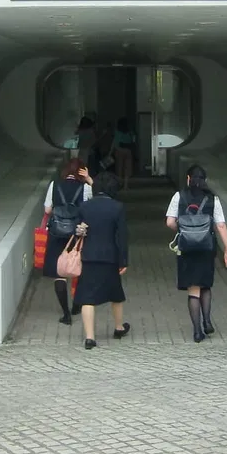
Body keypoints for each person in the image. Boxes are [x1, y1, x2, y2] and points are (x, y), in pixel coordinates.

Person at [166, 164, 227, 343]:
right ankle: (207, 321)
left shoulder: (178, 196)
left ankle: (197, 331)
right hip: (207, 247)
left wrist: (182, 230)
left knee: (193, 289)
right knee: (205, 285)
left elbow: (170, 222)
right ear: (205, 181)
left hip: (187, 248)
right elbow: (220, 225)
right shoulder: (213, 199)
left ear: (188, 179)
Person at [74, 171, 129, 348]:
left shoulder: (84, 207)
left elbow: (78, 231)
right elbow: (122, 237)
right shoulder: (118, 207)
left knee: (87, 297)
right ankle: (119, 327)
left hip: (89, 256)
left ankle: (90, 337)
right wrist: (123, 261)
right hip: (110, 257)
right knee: (116, 294)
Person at [41, 155, 92, 325]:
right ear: (81, 171)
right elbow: (91, 209)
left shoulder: (54, 185)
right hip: (77, 233)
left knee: (59, 273)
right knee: (79, 267)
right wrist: (89, 180)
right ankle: (77, 305)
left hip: (57, 233)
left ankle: (66, 314)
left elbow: (48, 209)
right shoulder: (85, 188)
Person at [113, 117, 139, 189]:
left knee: (119, 168)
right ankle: (126, 185)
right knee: (127, 168)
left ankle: (119, 184)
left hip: (119, 150)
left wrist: (110, 152)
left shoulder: (117, 132)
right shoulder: (130, 132)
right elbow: (133, 141)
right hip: (128, 151)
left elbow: (115, 143)